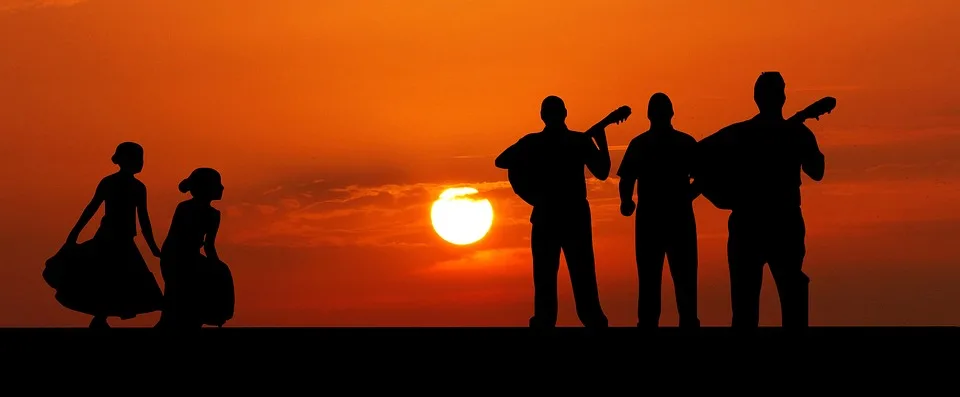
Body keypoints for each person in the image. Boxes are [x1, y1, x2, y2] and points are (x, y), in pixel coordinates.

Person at [697, 72, 825, 328]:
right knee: (790, 305)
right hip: (780, 223)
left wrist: (717, 194)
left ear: (757, 98)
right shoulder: (793, 132)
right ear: (783, 97)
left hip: (753, 224)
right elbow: (817, 170)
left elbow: (696, 155)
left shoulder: (740, 133)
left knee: (747, 311)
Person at [495, 95, 630, 328]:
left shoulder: (538, 142)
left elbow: (503, 161)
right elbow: (603, 170)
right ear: (565, 114)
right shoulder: (569, 142)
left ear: (542, 116)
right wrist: (529, 190)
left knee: (558, 275)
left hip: (557, 215)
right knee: (578, 274)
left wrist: (530, 189)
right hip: (567, 216)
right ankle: (587, 319)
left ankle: (571, 319)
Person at [43, 142, 164, 328]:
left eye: (141, 158)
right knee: (104, 278)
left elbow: (144, 221)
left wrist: (154, 247)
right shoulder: (110, 183)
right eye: (136, 158)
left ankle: (102, 317)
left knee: (123, 280)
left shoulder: (138, 187)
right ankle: (100, 317)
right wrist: (73, 235)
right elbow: (91, 208)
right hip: (108, 239)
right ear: (122, 159)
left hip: (124, 241)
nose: (140, 162)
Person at [617, 93, 700, 328]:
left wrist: (626, 202)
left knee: (651, 284)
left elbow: (626, 180)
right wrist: (687, 197)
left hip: (653, 222)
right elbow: (704, 177)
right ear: (671, 113)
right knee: (682, 285)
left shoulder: (640, 144)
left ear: (648, 115)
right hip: (675, 221)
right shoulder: (684, 143)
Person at [155, 168, 233, 329]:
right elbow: (175, 238)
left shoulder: (213, 214)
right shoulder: (184, 208)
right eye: (217, 184)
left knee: (219, 273)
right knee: (177, 300)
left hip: (190, 258)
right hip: (176, 258)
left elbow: (209, 246)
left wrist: (216, 266)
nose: (222, 187)